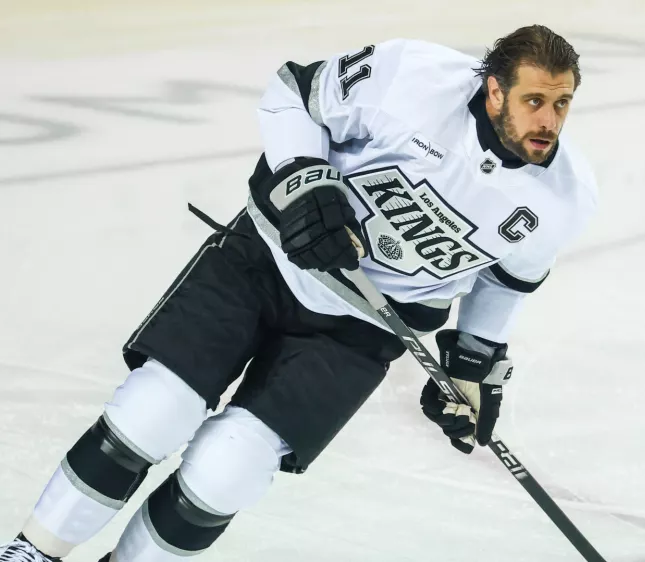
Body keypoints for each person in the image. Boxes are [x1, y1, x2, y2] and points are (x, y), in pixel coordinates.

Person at [0, 23, 597, 562]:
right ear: (494, 90)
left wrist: (472, 361)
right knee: (150, 413)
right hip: (263, 261)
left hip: (358, 332)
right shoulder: (411, 78)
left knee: (227, 472)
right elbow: (292, 94)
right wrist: (305, 182)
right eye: (534, 101)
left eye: (562, 103)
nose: (549, 121)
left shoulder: (564, 198)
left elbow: (503, 281)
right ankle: (32, 552)